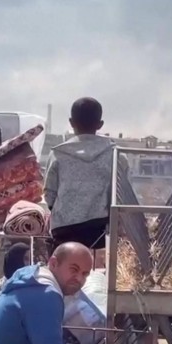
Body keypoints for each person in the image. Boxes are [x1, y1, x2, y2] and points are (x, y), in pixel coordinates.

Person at [43, 97, 128, 250]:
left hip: (64, 230)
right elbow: (123, 195)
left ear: (71, 122)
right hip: (102, 232)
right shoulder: (116, 155)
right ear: (100, 124)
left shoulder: (57, 154)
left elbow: (49, 195)